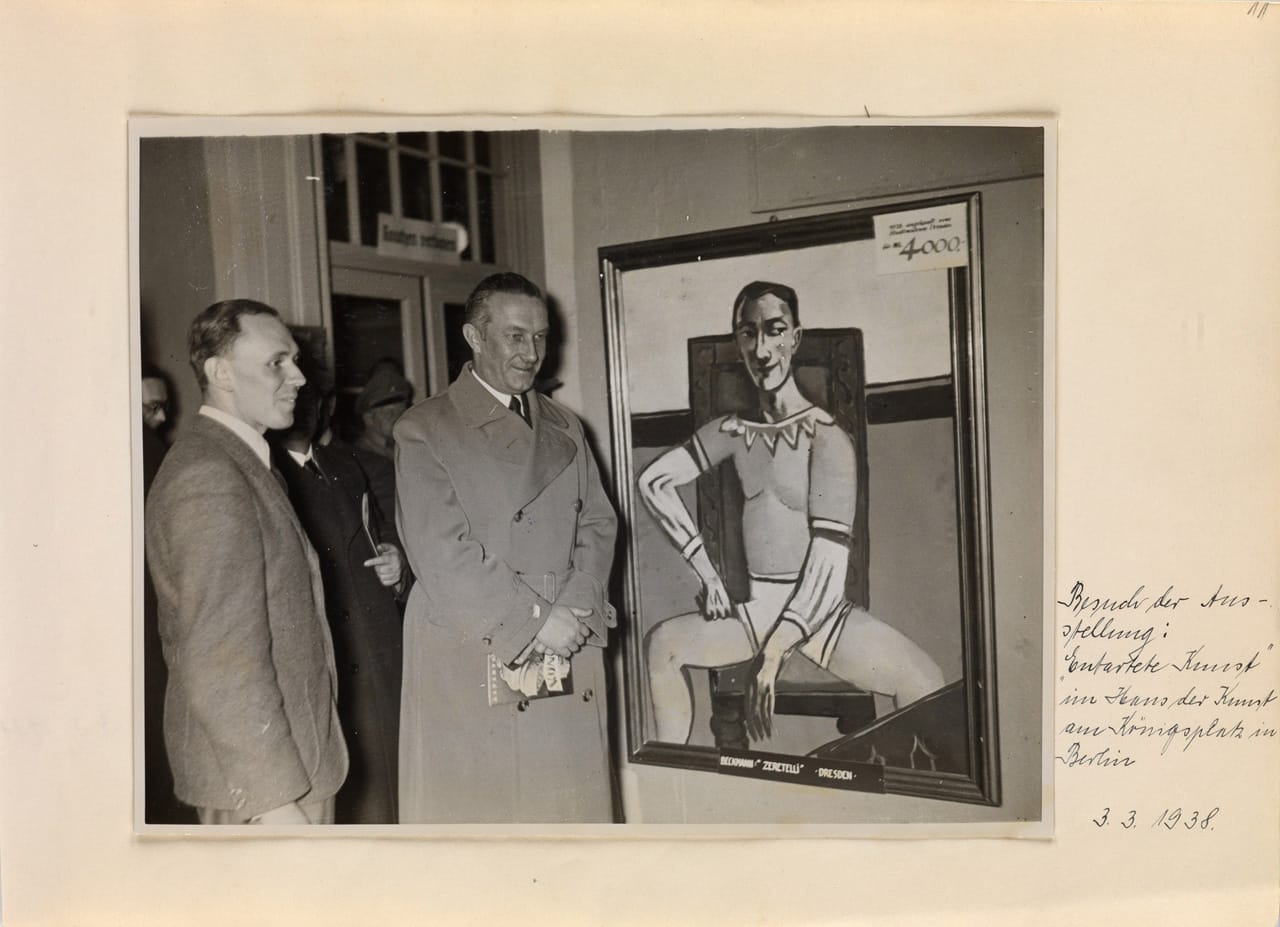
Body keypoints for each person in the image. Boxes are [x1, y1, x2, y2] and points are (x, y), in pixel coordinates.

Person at [639, 281, 945, 745]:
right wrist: (708, 575)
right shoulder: (732, 431)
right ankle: (672, 780)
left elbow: (827, 567)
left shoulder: (828, 439)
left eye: (774, 330)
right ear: (738, 341)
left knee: (924, 679)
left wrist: (776, 651)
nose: (761, 349)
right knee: (661, 644)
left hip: (818, 617)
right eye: (748, 333)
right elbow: (653, 482)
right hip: (755, 612)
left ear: (795, 338)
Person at [394, 272, 618, 823]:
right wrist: (536, 620)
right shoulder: (425, 428)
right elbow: (442, 553)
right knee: (488, 820)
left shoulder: (566, 425)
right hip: (478, 639)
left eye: (540, 337)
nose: (532, 353)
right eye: (516, 336)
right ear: (474, 337)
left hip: (564, 631)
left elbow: (597, 521)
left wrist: (575, 606)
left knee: (564, 814)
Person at [145, 299, 347, 824]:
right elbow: (220, 659)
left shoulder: (242, 462)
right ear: (221, 374)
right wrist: (274, 802)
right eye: (276, 362)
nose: (298, 377)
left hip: (290, 765)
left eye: (294, 360)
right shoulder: (211, 476)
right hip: (262, 788)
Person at [271, 364, 408, 824]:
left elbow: (382, 535)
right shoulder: (266, 474)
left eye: (313, 398)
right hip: (325, 668)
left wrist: (397, 563)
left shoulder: (347, 466)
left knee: (394, 796)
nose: (303, 407)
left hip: (379, 663)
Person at [352, 360, 413, 534]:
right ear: (369, 418)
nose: (399, 418)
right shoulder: (358, 460)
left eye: (401, 411)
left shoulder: (403, 450)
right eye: (390, 413)